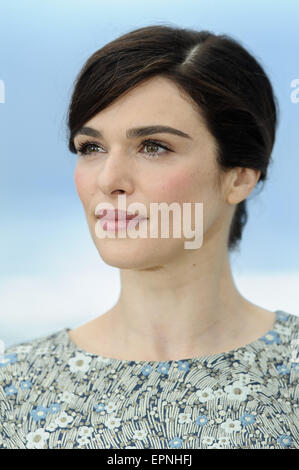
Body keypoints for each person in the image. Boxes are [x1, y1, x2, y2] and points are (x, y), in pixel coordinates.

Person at [0, 24, 298, 450]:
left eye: (153, 146)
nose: (109, 180)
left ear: (239, 177)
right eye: (91, 148)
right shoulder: (14, 387)